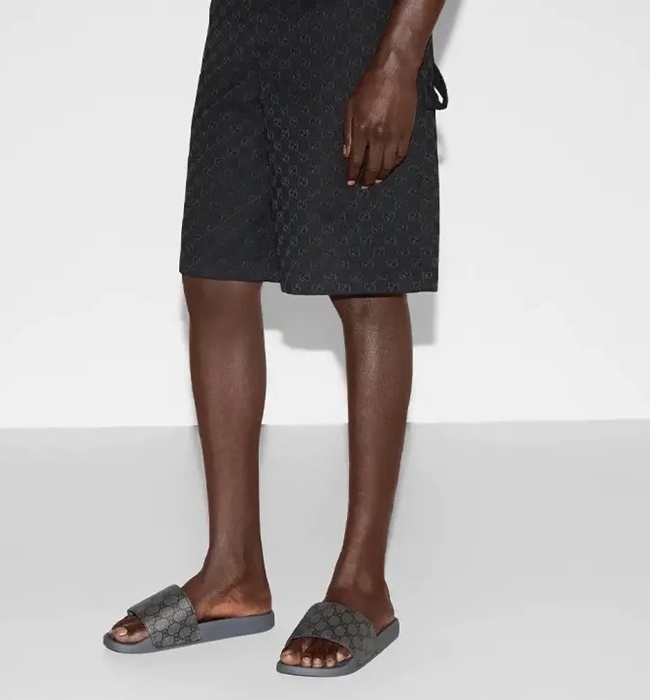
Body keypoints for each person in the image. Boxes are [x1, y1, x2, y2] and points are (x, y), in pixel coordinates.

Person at [103, 0, 448, 677]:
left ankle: (363, 584)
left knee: (367, 284)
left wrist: (398, 60)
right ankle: (232, 571)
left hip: (357, 27)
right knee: (215, 273)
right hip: (244, 26)